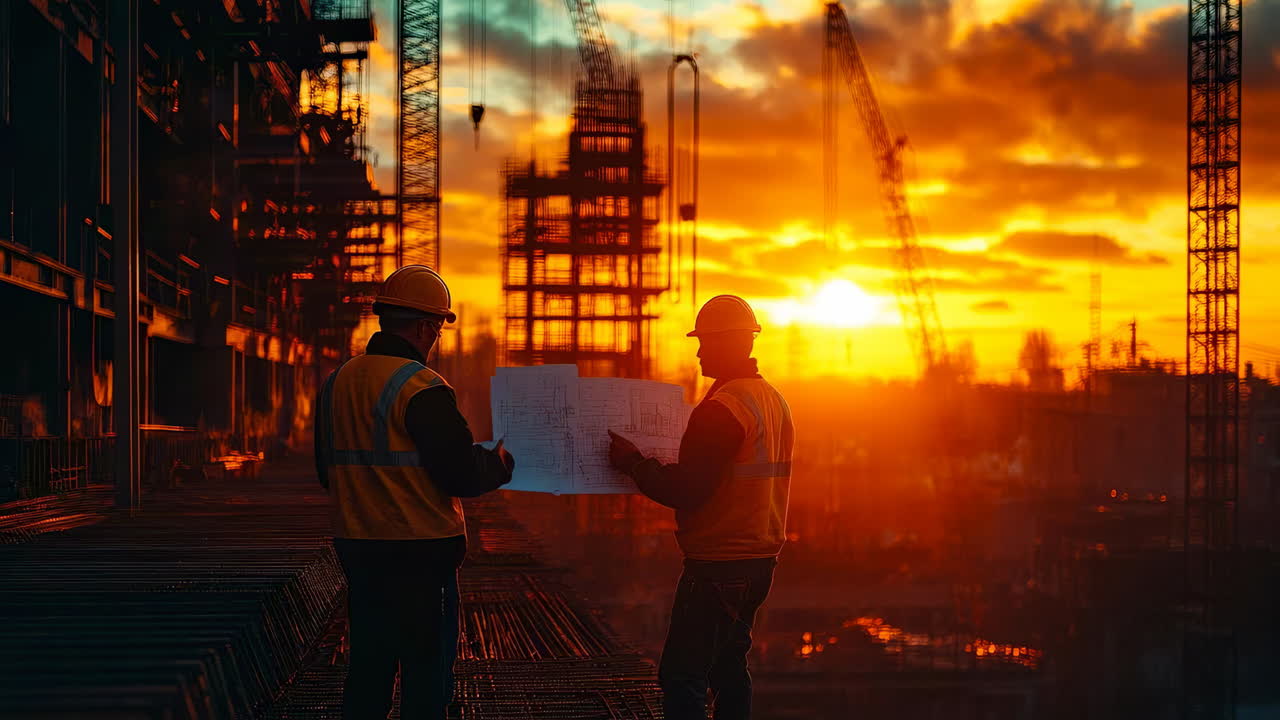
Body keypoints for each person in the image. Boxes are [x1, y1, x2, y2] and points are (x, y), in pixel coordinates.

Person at [314, 265, 515, 720]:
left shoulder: (336, 383)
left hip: (359, 551)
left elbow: (329, 472)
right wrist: (497, 466)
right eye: (439, 327)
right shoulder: (422, 387)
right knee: (426, 682)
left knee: (368, 672)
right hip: (421, 556)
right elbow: (460, 473)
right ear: (427, 326)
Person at [608, 294, 794, 720]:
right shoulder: (772, 400)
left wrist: (635, 463)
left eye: (705, 342)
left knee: (682, 674)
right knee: (729, 667)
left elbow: (688, 490)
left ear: (730, 343)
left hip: (718, 563)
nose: (697, 351)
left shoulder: (722, 409)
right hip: (759, 559)